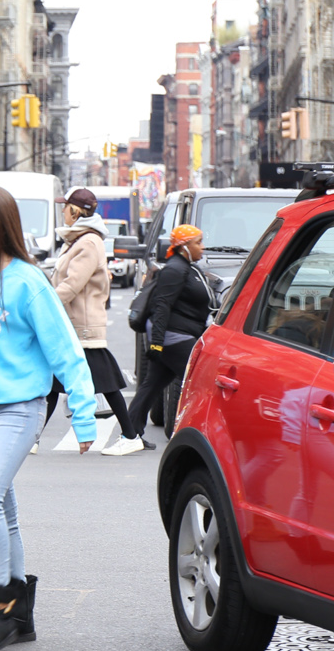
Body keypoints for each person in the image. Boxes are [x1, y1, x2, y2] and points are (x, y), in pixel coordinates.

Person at [0, 184, 97, 651]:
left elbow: (64, 349)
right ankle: (20, 614)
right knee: (2, 506)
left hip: (20, 407)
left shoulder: (27, 282)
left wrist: (84, 413)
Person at [47, 187, 149, 457]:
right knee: (55, 382)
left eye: (65, 207)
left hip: (83, 323)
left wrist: (44, 306)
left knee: (104, 381)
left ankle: (130, 435)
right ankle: (31, 439)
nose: (62, 211)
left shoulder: (88, 243)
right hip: (75, 322)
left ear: (76, 211)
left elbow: (72, 284)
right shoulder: (78, 240)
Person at [128, 224, 217, 439]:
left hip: (177, 338)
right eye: (198, 243)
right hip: (174, 339)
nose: (202, 248)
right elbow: (162, 307)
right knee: (201, 382)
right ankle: (200, 435)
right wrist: (157, 343)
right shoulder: (174, 270)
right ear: (183, 246)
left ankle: (129, 434)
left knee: (151, 386)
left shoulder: (188, 268)